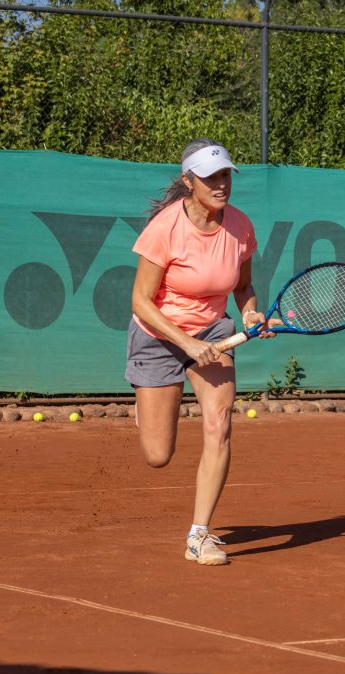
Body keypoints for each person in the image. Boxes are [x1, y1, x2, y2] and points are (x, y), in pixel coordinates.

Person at [126, 138, 274, 566]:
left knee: (219, 422)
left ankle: (199, 535)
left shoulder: (240, 226)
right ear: (189, 181)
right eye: (211, 178)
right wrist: (187, 343)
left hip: (214, 330)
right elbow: (140, 301)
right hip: (158, 333)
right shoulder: (165, 228)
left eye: (226, 175)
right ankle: (149, 406)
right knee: (158, 455)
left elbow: (242, 287)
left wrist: (250, 314)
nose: (221, 184)